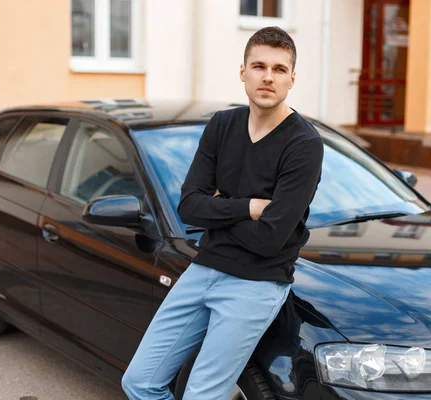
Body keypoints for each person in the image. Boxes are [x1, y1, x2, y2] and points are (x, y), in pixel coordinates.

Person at [121, 26, 324, 400]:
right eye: (259, 66)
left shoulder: (304, 144)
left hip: (256, 283)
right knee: (140, 382)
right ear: (243, 71)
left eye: (279, 69)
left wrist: (216, 209)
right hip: (203, 268)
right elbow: (188, 206)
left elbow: (271, 239)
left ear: (292, 79)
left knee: (202, 395)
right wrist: (248, 206)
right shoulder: (222, 125)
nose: (268, 77)